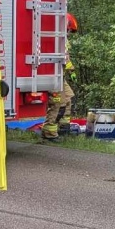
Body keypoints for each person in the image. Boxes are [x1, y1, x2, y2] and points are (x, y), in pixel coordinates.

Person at [42, 13, 79, 142]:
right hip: (53, 76)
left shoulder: (63, 39)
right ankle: (49, 133)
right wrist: (71, 70)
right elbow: (65, 58)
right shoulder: (57, 39)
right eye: (69, 30)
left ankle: (64, 128)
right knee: (58, 103)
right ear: (65, 27)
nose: (69, 33)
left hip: (60, 77)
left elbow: (66, 58)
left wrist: (71, 71)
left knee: (68, 98)